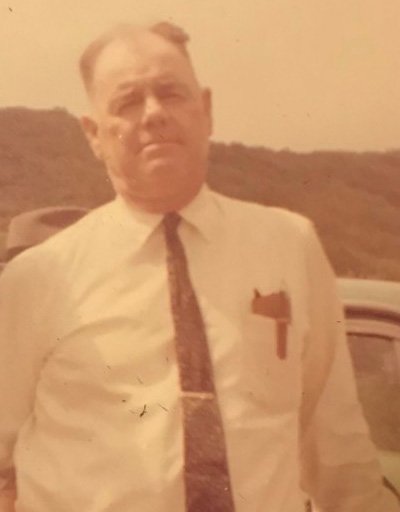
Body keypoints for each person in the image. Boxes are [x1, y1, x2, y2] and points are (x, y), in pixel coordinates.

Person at [0, 21, 398, 512]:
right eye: (127, 102)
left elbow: (338, 453)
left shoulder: (289, 246)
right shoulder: (37, 279)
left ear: (205, 109)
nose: (154, 115)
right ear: (94, 134)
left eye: (170, 94)